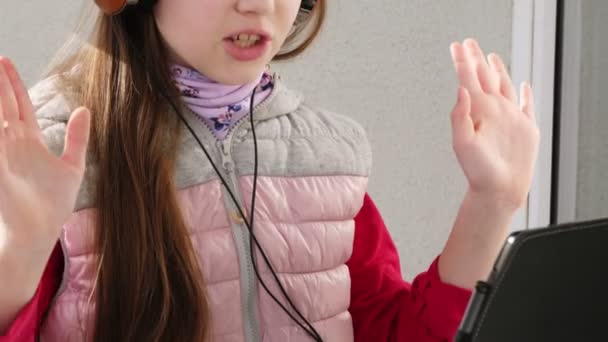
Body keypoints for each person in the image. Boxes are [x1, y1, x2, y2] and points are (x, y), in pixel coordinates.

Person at [0, 0, 540, 341]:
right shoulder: (51, 154)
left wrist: (491, 202)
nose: (258, 4)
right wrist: (20, 252)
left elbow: (396, 332)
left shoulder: (325, 155)